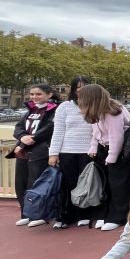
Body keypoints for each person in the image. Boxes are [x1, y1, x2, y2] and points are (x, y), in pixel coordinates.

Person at [78, 84, 130, 231]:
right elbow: (96, 132)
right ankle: (104, 214)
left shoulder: (113, 112)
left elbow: (117, 137)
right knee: (104, 184)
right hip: (103, 149)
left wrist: (112, 156)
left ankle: (118, 216)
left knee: (118, 185)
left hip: (117, 151)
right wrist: (93, 147)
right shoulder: (96, 112)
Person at [12, 84, 60, 227]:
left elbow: (50, 128)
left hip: (41, 149)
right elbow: (18, 127)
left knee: (36, 181)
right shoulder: (30, 110)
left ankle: (39, 215)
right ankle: (26, 213)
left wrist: (33, 138)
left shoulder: (55, 110)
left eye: (38, 94)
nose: (34, 97)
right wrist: (22, 137)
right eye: (32, 94)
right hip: (23, 149)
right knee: (21, 182)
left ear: (49, 94)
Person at [48, 76, 94, 228]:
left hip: (89, 152)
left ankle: (85, 214)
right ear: (73, 90)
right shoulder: (64, 107)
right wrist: (53, 153)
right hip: (67, 151)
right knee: (68, 184)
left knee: (87, 184)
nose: (80, 90)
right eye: (77, 87)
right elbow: (58, 131)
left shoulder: (96, 105)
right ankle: (67, 215)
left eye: (84, 86)